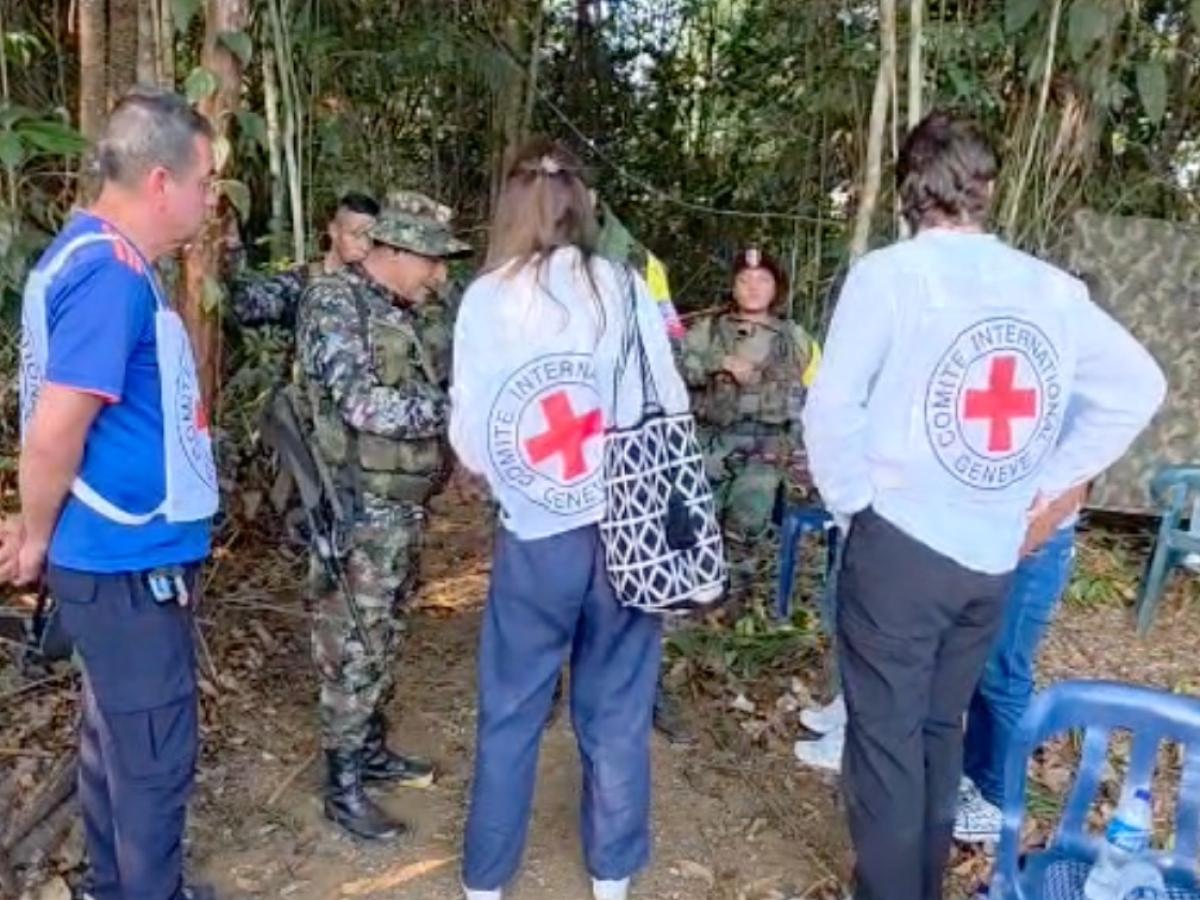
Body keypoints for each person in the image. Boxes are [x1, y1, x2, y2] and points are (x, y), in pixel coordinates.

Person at [801, 111, 1165, 900]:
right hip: (991, 555)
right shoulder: (1052, 289)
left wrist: (853, 508)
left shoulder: (890, 275)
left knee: (887, 745)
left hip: (899, 541)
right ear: (988, 189)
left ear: (908, 187)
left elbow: (831, 409)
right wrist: (1046, 486)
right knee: (938, 729)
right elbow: (1141, 387)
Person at [450, 138, 689, 900]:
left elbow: (472, 437)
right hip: (625, 533)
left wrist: (523, 481)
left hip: (535, 535)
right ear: (584, 206)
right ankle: (611, 876)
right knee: (617, 708)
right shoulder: (621, 287)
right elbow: (669, 405)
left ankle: (486, 884)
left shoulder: (487, 297)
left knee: (511, 707)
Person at [0, 88, 220, 900]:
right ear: (160, 181)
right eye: (203, 182)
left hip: (119, 559)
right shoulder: (110, 275)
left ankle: (112, 884)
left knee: (116, 740)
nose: (208, 200)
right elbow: (58, 427)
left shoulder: (91, 259)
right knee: (155, 754)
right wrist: (33, 536)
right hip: (124, 563)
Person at [294, 195, 471, 840]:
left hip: (398, 506)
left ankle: (367, 751)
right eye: (429, 260)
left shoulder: (401, 312)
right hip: (358, 507)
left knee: (386, 634)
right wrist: (453, 413)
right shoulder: (336, 302)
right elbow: (362, 405)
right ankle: (341, 787)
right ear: (392, 252)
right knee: (354, 645)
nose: (437, 275)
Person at [679, 248, 821, 598]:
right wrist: (720, 361)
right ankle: (694, 594)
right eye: (745, 279)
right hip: (710, 440)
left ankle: (736, 598)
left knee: (748, 523)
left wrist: (804, 455)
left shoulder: (796, 338)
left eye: (763, 280)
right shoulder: (707, 331)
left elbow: (818, 396)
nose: (754, 287)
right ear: (733, 286)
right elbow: (675, 369)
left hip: (766, 448)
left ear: (777, 287)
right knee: (697, 519)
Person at [231, 191, 379, 327]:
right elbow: (245, 304)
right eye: (356, 235)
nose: (365, 245)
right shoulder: (301, 281)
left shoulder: (374, 283)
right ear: (334, 231)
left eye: (370, 237)